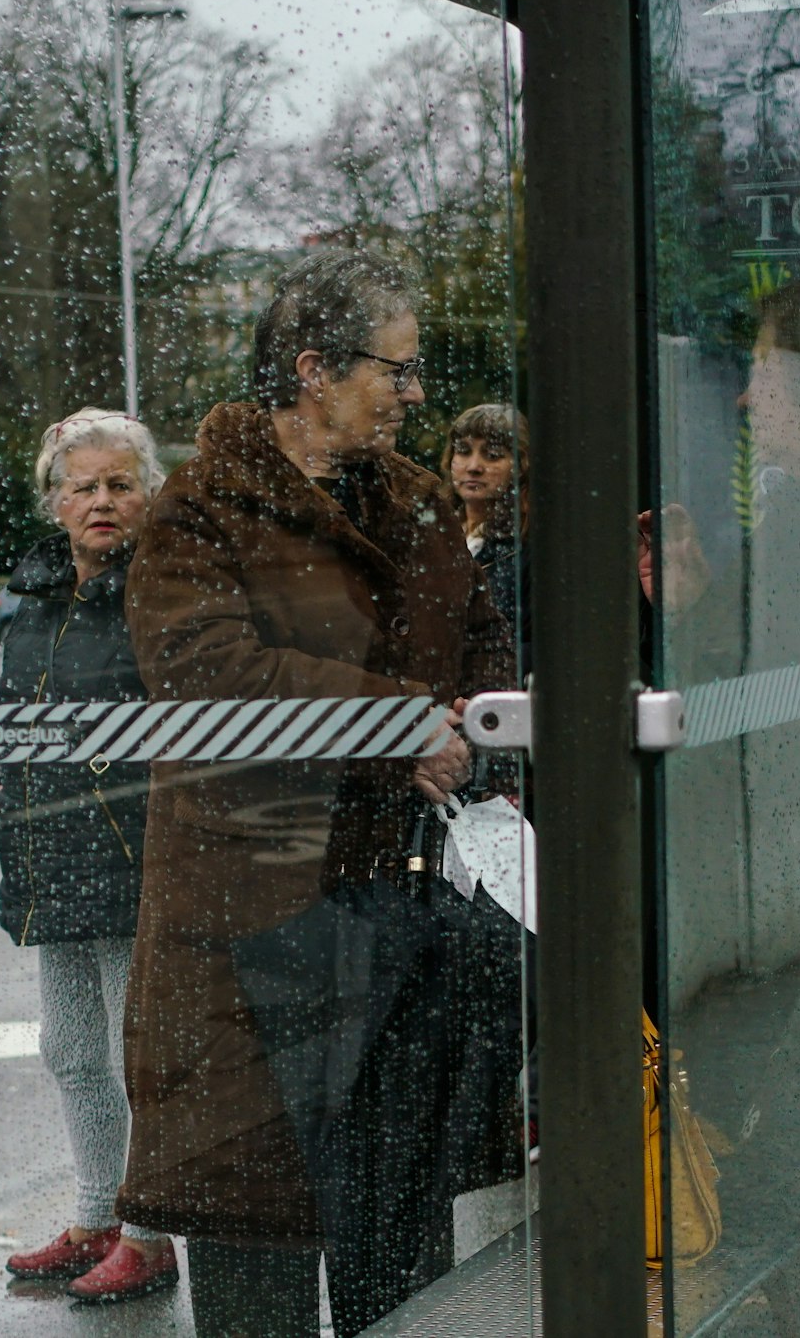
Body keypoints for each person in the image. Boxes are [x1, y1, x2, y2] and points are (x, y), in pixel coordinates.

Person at [116, 250, 517, 1337]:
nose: (416, 392)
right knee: (259, 1251)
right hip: (251, 926)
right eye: (398, 369)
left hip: (400, 919)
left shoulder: (422, 503)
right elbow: (208, 678)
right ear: (311, 369)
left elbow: (483, 656)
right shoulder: (199, 509)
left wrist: (478, 732)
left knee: (408, 1260)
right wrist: (398, 725)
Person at [0, 407, 177, 1303]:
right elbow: (11, 717)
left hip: (134, 857)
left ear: (148, 495)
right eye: (83, 485)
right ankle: (96, 1216)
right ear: (55, 501)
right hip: (50, 853)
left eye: (120, 483)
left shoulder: (166, 588)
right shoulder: (38, 595)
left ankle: (149, 1232)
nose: (101, 500)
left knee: (143, 1055)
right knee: (72, 1049)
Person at [440, 402, 530, 636]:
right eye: (463, 450)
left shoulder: (527, 543)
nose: (473, 467)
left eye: (492, 455)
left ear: (520, 466)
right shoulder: (433, 529)